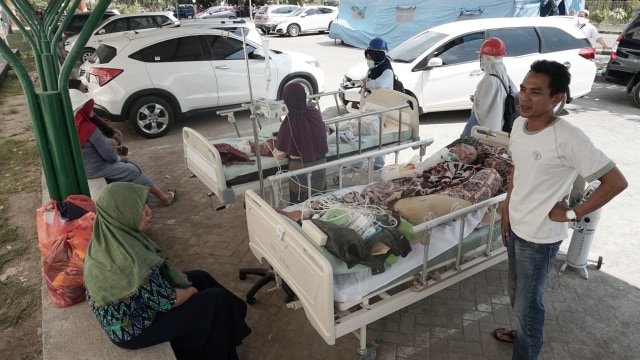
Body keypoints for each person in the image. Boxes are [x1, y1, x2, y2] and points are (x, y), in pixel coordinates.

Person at [495, 60, 627, 359]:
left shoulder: (568, 137)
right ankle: (521, 334)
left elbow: (615, 182)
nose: (524, 98)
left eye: (535, 92)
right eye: (523, 89)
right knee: (518, 296)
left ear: (557, 98)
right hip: (516, 225)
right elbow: (519, 169)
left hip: (540, 237)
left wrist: (571, 214)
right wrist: (507, 208)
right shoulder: (518, 124)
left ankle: (526, 352)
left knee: (529, 303)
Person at [83, 182, 251, 359]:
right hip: (134, 329)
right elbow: (167, 301)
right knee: (215, 299)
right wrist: (191, 291)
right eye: (140, 208)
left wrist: (184, 282)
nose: (149, 211)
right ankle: (226, 339)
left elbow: (156, 283)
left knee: (201, 277)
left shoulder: (111, 238)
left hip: (139, 307)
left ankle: (232, 325)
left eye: (146, 204)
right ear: (122, 214)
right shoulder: (131, 260)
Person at [71, 89, 177, 206]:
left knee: (124, 166)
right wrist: (121, 159)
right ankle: (164, 198)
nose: (92, 109)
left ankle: (140, 194)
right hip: (95, 168)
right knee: (132, 169)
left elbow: (89, 149)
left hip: (86, 167)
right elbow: (108, 156)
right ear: (82, 109)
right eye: (89, 106)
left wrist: (113, 149)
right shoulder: (89, 129)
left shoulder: (75, 125)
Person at [274, 82, 329, 204]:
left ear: (286, 100)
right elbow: (322, 133)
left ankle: (300, 219)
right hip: (320, 164)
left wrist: (275, 149)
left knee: (299, 203)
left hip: (300, 168)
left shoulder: (289, 122)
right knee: (320, 200)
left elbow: (280, 155)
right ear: (304, 96)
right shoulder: (314, 112)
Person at [462, 37, 518, 137]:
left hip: (484, 128)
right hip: (497, 127)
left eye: (481, 56)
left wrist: (476, 100)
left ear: (485, 58)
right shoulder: (503, 75)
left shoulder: (489, 79)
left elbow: (481, 111)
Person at [359, 37, 395, 170]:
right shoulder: (376, 66)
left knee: (379, 136)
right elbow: (370, 78)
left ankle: (378, 164)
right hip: (373, 104)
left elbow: (380, 84)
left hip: (383, 105)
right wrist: (366, 81)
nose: (368, 60)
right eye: (367, 58)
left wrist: (367, 83)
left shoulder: (387, 69)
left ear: (377, 54)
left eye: (370, 57)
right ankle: (358, 163)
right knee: (365, 132)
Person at [69, 82, 123, 147]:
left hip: (89, 133)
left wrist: (111, 132)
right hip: (83, 141)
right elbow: (91, 130)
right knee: (112, 143)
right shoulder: (78, 110)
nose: (85, 93)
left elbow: (95, 119)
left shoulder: (81, 108)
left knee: (117, 133)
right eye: (83, 91)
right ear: (75, 95)